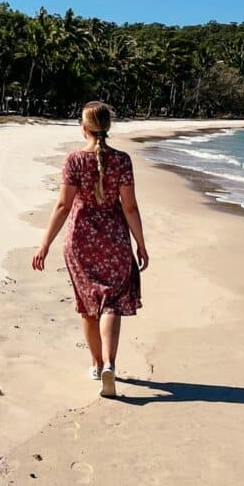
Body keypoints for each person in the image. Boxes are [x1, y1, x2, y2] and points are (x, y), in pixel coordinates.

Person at [32, 101, 148, 398]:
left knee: (88, 306)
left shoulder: (73, 160)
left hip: (80, 241)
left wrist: (44, 244)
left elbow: (63, 205)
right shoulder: (122, 161)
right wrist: (141, 244)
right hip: (115, 241)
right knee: (112, 303)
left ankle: (96, 365)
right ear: (108, 128)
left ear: (83, 128)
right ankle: (110, 363)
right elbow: (130, 207)